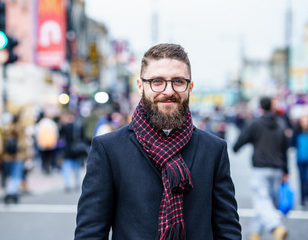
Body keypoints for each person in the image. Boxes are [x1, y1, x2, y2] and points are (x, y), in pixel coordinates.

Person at [75, 43, 241, 239]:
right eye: (157, 81)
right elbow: (90, 233)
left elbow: (228, 231)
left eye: (178, 81)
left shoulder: (214, 150)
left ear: (190, 87)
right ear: (140, 86)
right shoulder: (108, 149)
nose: (168, 91)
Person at [233, 96, 289, 240]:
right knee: (266, 203)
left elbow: (240, 142)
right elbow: (285, 150)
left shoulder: (255, 124)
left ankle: (276, 226)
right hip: (277, 169)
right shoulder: (281, 124)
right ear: (271, 107)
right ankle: (255, 234)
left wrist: (236, 147)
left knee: (262, 201)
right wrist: (286, 171)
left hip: (260, 169)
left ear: (261, 108)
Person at [1, 113, 30, 204]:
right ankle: (12, 193)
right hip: (18, 156)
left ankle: (10, 192)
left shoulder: (6, 128)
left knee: (10, 176)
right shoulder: (21, 129)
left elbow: (2, 143)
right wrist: (27, 156)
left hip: (7, 156)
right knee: (16, 175)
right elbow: (23, 144)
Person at [59, 110, 88, 192]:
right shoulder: (79, 126)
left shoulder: (65, 126)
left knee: (66, 168)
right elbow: (83, 138)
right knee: (77, 168)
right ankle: (77, 184)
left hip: (68, 150)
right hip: (77, 150)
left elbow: (60, 135)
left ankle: (67, 184)